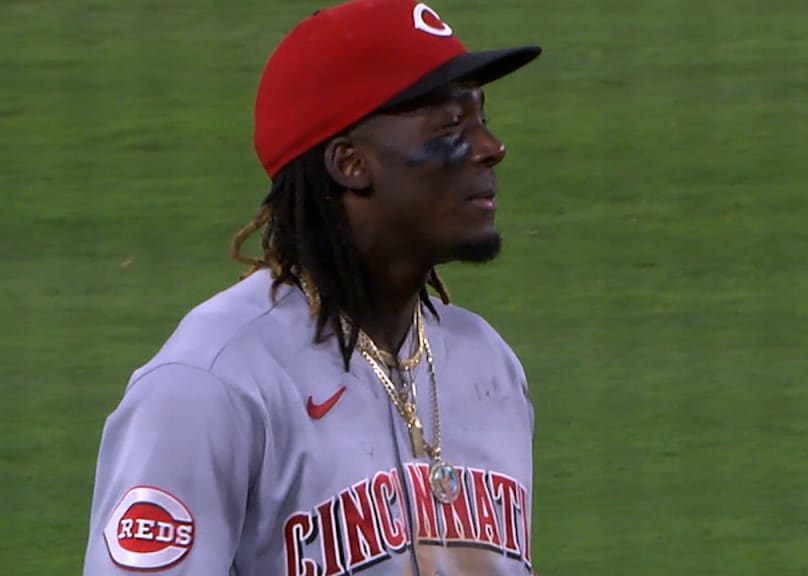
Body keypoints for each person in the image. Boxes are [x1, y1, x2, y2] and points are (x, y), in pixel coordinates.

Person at [82, 1, 542, 574]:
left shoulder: (487, 367)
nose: (491, 146)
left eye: (480, 118)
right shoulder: (211, 383)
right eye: (450, 126)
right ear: (351, 164)